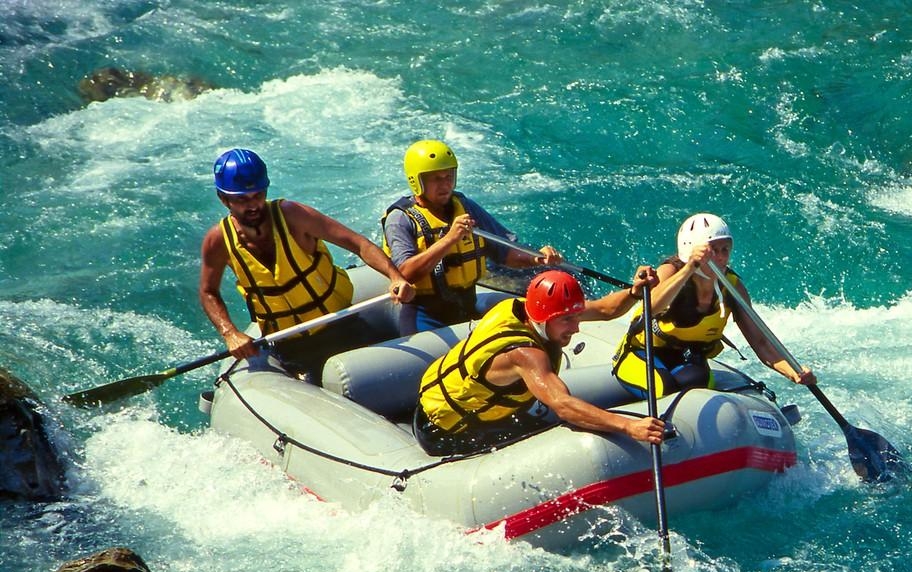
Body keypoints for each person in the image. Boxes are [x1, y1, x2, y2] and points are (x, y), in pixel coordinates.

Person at [199, 148, 415, 380]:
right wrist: (230, 333)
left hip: (342, 326)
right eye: (242, 199)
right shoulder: (218, 241)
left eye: (258, 195)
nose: (253, 206)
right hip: (290, 345)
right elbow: (208, 291)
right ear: (224, 199)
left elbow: (358, 244)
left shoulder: (293, 216)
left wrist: (395, 277)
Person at [416, 269, 666, 456]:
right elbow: (564, 406)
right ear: (544, 318)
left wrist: (634, 292)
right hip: (447, 432)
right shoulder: (526, 355)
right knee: (550, 439)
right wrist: (630, 427)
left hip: (454, 403)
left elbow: (604, 310)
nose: (577, 327)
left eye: (576, 317)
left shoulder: (528, 310)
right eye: (567, 320)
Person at [612, 213, 816, 398]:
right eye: (712, 251)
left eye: (725, 250)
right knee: (664, 388)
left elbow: (761, 342)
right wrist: (690, 268)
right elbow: (651, 307)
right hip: (642, 353)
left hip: (686, 358)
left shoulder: (732, 288)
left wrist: (793, 373)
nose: (720, 257)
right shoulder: (670, 272)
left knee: (697, 385)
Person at [381, 139, 564, 335]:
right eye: (436, 178)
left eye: (448, 176)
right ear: (416, 181)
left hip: (467, 308)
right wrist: (450, 239)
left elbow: (505, 253)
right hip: (424, 317)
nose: (445, 184)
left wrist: (537, 258)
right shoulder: (400, 219)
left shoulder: (466, 206)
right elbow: (404, 273)